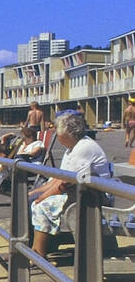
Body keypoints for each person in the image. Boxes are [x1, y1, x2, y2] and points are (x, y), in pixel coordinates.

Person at [30, 111, 110, 259]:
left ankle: (38, 253)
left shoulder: (84, 148)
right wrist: (37, 192)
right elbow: (59, 177)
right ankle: (32, 248)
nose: (59, 140)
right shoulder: (71, 148)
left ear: (72, 134)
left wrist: (41, 197)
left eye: (61, 137)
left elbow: (64, 182)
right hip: (79, 192)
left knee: (41, 205)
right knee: (31, 200)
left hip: (94, 198)